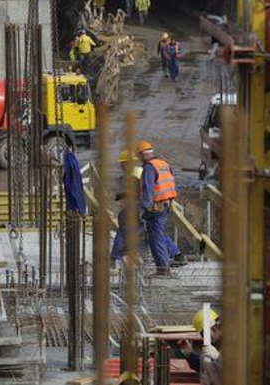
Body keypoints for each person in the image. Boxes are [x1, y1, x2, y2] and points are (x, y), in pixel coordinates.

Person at [110, 149, 182, 268]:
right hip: (155, 205)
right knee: (156, 232)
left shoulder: (134, 174)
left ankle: (115, 257)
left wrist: (142, 209)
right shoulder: (139, 171)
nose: (121, 166)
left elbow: (143, 192)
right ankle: (176, 254)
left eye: (122, 163)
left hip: (146, 206)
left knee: (125, 227)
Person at [136, 140, 178, 275]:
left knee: (156, 238)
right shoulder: (164, 164)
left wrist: (143, 209)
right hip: (165, 205)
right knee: (158, 234)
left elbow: (148, 190)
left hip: (155, 207)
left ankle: (163, 269)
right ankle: (166, 264)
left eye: (138, 156)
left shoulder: (149, 167)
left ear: (142, 154)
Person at [178, 308, 222, 384]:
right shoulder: (215, 344)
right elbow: (205, 368)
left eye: (204, 334)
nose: (204, 338)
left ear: (214, 328)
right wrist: (189, 354)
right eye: (202, 335)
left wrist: (218, 358)